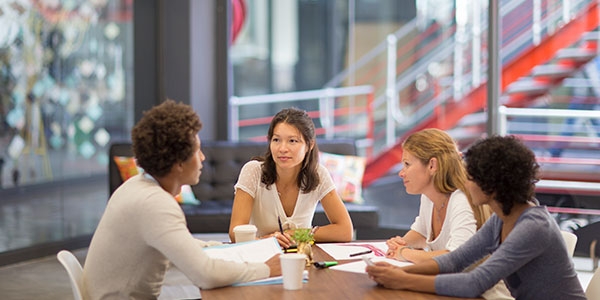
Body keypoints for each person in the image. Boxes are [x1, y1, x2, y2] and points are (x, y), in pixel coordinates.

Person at [83, 100, 281, 299]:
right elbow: (206, 275)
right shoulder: (155, 204)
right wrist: (267, 269)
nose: (203, 158)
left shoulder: (137, 185)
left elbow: (181, 244)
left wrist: (222, 247)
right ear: (179, 162)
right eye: (197, 151)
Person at [366, 135, 587, 300]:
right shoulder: (502, 218)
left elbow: (475, 283)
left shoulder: (532, 227)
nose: (466, 183)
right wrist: (398, 271)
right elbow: (454, 261)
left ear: (491, 186)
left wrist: (403, 279)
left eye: (470, 177)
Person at [228, 107, 354, 248]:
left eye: (292, 141)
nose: (282, 148)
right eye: (276, 140)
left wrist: (298, 234)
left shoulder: (318, 174)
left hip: (301, 258)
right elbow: (235, 233)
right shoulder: (253, 171)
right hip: (260, 255)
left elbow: (345, 231)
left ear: (309, 145)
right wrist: (266, 241)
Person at [385, 128, 491, 264]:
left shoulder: (460, 200)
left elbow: (456, 257)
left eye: (407, 164)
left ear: (432, 165)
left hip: (478, 285)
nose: (401, 173)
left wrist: (404, 252)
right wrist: (400, 244)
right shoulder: (428, 196)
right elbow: (421, 232)